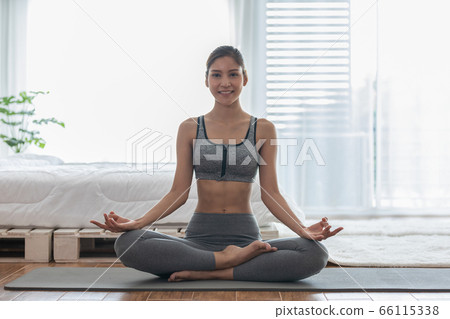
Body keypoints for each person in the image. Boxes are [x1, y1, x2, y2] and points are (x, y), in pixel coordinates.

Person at [90, 45, 343, 282]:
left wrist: (301, 230)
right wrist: (137, 224)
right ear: (206, 80)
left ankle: (212, 272)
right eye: (216, 75)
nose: (225, 83)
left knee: (315, 253)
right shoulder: (190, 128)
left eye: (233, 74)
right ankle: (224, 261)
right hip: (198, 238)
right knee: (126, 243)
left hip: (246, 240)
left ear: (244, 78)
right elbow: (178, 192)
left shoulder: (263, 128)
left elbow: (271, 192)